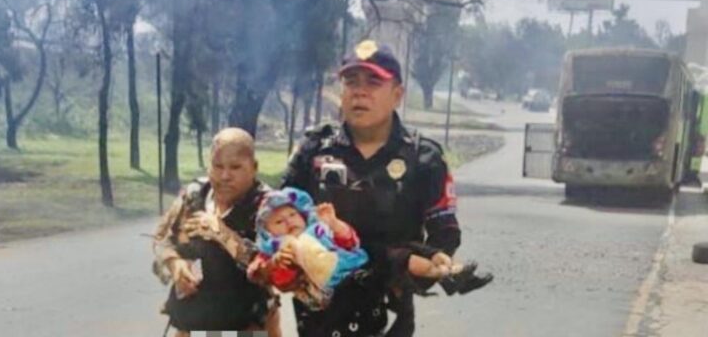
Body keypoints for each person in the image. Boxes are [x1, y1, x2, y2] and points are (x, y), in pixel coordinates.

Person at [282, 40, 478, 337]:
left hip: (389, 316)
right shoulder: (313, 150)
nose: (359, 91)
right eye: (351, 82)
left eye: (373, 82)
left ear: (397, 94)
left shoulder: (423, 158)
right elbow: (277, 218)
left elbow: (444, 234)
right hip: (320, 316)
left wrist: (424, 267)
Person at [248, 187, 483, 312]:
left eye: (292, 215)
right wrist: (277, 263)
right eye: (279, 222)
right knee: (395, 260)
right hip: (336, 292)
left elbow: (351, 242)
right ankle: (442, 272)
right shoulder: (275, 251)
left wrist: (334, 224)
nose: (289, 222)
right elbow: (273, 277)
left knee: (400, 252)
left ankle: (447, 270)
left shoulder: (318, 231)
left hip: (358, 265)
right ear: (268, 232)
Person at [152, 128, 280, 337]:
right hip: (190, 324)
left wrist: (222, 233)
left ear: (254, 168)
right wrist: (174, 264)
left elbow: (273, 269)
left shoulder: (270, 206)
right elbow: (161, 240)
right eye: (217, 166)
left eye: (235, 167)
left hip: (246, 326)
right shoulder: (194, 195)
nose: (225, 176)